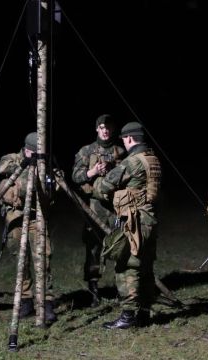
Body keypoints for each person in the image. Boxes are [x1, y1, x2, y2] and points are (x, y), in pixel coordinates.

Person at [93, 121, 162, 329]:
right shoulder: (153, 158)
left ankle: (128, 315)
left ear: (129, 138)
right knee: (146, 266)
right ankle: (144, 312)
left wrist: (99, 179)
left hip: (133, 221)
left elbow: (103, 188)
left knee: (127, 265)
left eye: (124, 138)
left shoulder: (131, 162)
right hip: (149, 218)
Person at [0, 132, 57, 323]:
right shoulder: (13, 159)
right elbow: (2, 167)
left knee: (44, 258)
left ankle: (46, 302)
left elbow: (54, 184)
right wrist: (28, 164)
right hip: (16, 215)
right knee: (20, 259)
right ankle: (25, 300)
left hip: (37, 216)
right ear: (28, 149)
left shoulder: (47, 163)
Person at [71, 114, 126, 307]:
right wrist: (92, 172)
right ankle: (94, 289)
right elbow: (75, 177)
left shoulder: (121, 151)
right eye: (102, 126)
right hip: (94, 207)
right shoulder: (86, 151)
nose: (105, 130)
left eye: (108, 126)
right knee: (93, 248)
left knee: (121, 246)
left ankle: (123, 289)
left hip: (117, 207)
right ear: (97, 129)